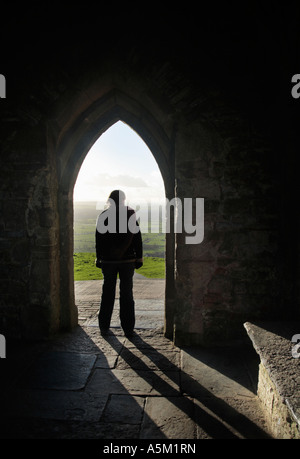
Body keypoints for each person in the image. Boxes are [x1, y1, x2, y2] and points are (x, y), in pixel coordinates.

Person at [95, 190, 143, 337]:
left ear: (110, 200)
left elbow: (99, 239)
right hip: (127, 261)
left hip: (108, 261)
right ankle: (128, 328)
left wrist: (99, 258)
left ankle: (104, 325)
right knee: (127, 294)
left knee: (107, 293)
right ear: (123, 200)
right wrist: (139, 257)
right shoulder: (130, 214)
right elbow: (136, 237)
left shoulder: (103, 215)